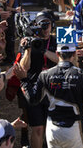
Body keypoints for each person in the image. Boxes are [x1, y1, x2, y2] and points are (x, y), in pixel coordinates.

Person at [18, 43, 83, 148]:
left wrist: (24, 81)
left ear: (57, 54)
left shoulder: (45, 74)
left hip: (53, 129)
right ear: (74, 54)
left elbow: (32, 99)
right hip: (74, 129)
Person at [18, 10, 58, 148]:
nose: (46, 29)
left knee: (52, 126)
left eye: (48, 24)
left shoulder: (55, 41)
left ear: (52, 25)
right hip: (35, 86)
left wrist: (44, 51)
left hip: (54, 88)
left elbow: (62, 60)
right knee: (38, 128)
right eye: (42, 25)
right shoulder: (29, 41)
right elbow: (23, 68)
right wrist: (28, 49)